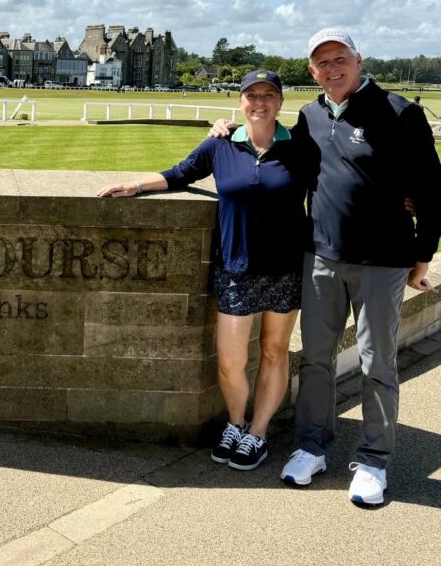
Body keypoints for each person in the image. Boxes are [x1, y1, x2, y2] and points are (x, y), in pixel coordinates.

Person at [100, 70, 309, 471]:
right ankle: (236, 423)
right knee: (229, 360)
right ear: (240, 101)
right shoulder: (220, 144)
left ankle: (258, 432)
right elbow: (180, 173)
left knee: (273, 351)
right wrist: (136, 186)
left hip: (285, 267)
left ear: (281, 102)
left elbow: (337, 182)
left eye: (268, 95)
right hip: (235, 267)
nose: (259, 102)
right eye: (251, 95)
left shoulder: (300, 147)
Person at [275, 28, 441, 505]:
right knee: (316, 359)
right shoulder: (310, 115)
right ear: (312, 71)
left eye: (340, 58)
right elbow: (287, 165)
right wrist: (231, 134)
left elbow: (431, 189)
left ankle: (373, 461)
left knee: (376, 363)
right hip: (321, 258)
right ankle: (312, 447)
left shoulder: (400, 112)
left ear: (358, 60)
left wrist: (422, 254)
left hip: (382, 263)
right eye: (322, 62)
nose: (332, 68)